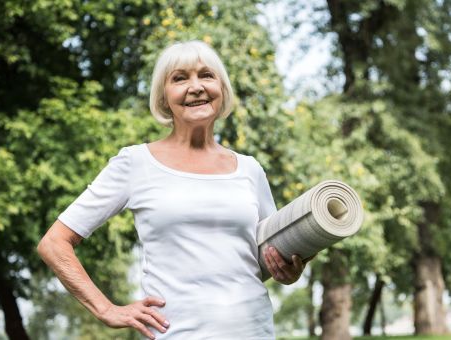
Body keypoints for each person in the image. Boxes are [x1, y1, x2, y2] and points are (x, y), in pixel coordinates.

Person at [37, 40, 308, 339]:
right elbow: (54, 243)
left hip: (254, 331)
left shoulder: (250, 169)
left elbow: (265, 256)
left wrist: (290, 270)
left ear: (222, 89)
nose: (196, 87)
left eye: (206, 75)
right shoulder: (135, 163)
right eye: (180, 78)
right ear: (164, 97)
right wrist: (106, 310)